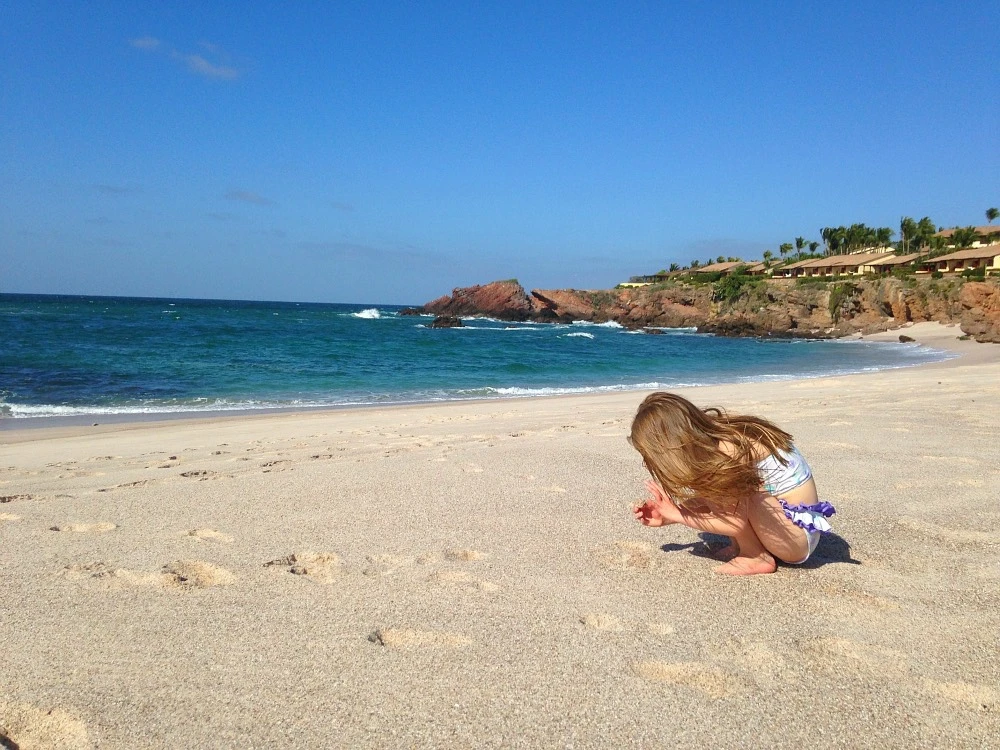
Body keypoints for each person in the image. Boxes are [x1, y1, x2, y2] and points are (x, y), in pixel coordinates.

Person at [629, 392, 834, 576]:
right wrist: (669, 515)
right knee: (711, 490)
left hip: (797, 539)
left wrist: (677, 514)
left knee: (722, 484)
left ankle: (755, 556)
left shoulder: (727, 449)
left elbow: (733, 522)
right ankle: (746, 548)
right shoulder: (713, 436)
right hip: (786, 527)